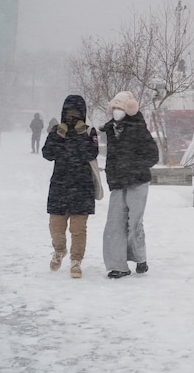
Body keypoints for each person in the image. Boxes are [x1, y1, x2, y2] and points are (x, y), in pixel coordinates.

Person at [99, 91, 159, 279]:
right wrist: (112, 174)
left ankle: (140, 258)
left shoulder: (139, 129)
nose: (117, 111)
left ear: (129, 109)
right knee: (114, 224)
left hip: (137, 181)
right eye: (114, 108)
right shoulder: (110, 129)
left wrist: (133, 167)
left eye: (120, 108)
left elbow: (152, 156)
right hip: (118, 182)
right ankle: (118, 265)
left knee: (134, 222)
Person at [41, 95, 100, 278]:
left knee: (78, 228)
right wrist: (59, 136)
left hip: (82, 187)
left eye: (76, 113)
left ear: (82, 113)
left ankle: (76, 261)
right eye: (68, 112)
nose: (72, 116)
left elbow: (91, 153)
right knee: (56, 227)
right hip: (60, 186)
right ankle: (59, 250)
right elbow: (48, 153)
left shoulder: (90, 132)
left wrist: (81, 136)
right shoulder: (56, 130)